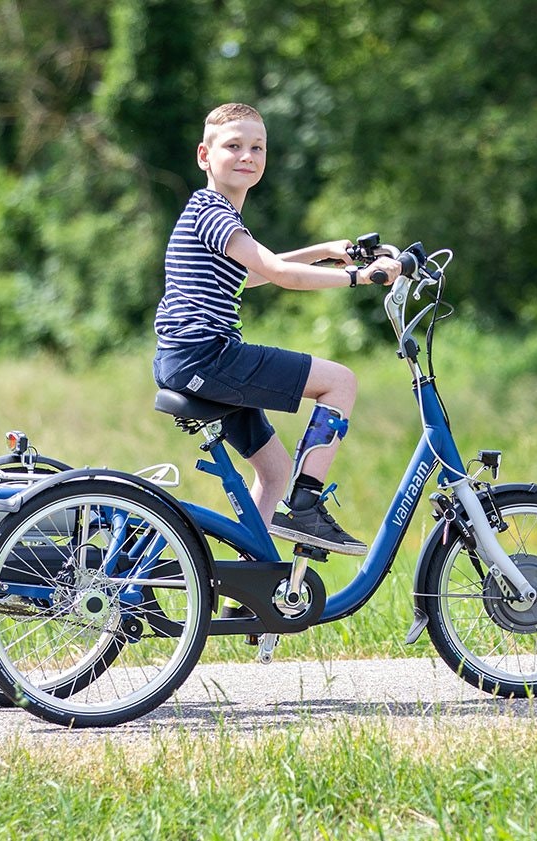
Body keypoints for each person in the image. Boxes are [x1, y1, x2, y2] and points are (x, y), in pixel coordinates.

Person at [153, 102, 402, 556]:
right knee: (340, 381)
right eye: (234, 146)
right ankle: (306, 507)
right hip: (206, 356)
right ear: (204, 157)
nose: (247, 155)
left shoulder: (215, 215)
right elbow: (277, 273)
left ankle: (249, 596)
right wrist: (360, 277)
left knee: (273, 474)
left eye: (257, 147)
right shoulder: (213, 212)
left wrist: (323, 251)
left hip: (189, 358)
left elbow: (254, 274)